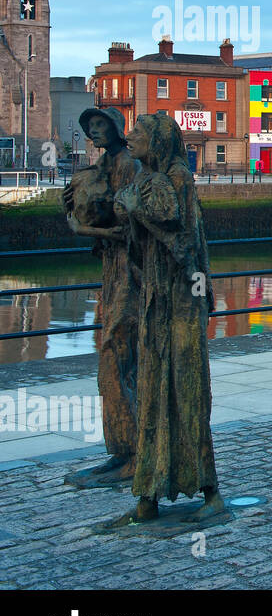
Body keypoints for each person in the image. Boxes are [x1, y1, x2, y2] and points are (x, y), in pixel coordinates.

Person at [106, 112, 223, 526]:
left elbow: (182, 237)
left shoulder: (177, 179)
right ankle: (148, 496)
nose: (130, 137)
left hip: (183, 299)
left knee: (188, 390)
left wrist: (136, 206)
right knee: (155, 390)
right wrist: (128, 211)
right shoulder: (149, 179)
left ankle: (209, 490)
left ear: (156, 139)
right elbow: (138, 232)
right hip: (157, 298)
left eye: (137, 132)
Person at [62, 107, 139, 485]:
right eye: (89, 128)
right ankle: (120, 449)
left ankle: (134, 452)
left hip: (130, 274)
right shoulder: (104, 165)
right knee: (112, 360)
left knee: (118, 356)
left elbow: (130, 231)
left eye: (99, 126)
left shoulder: (128, 165)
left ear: (116, 129)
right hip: (112, 270)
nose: (93, 133)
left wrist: (83, 230)